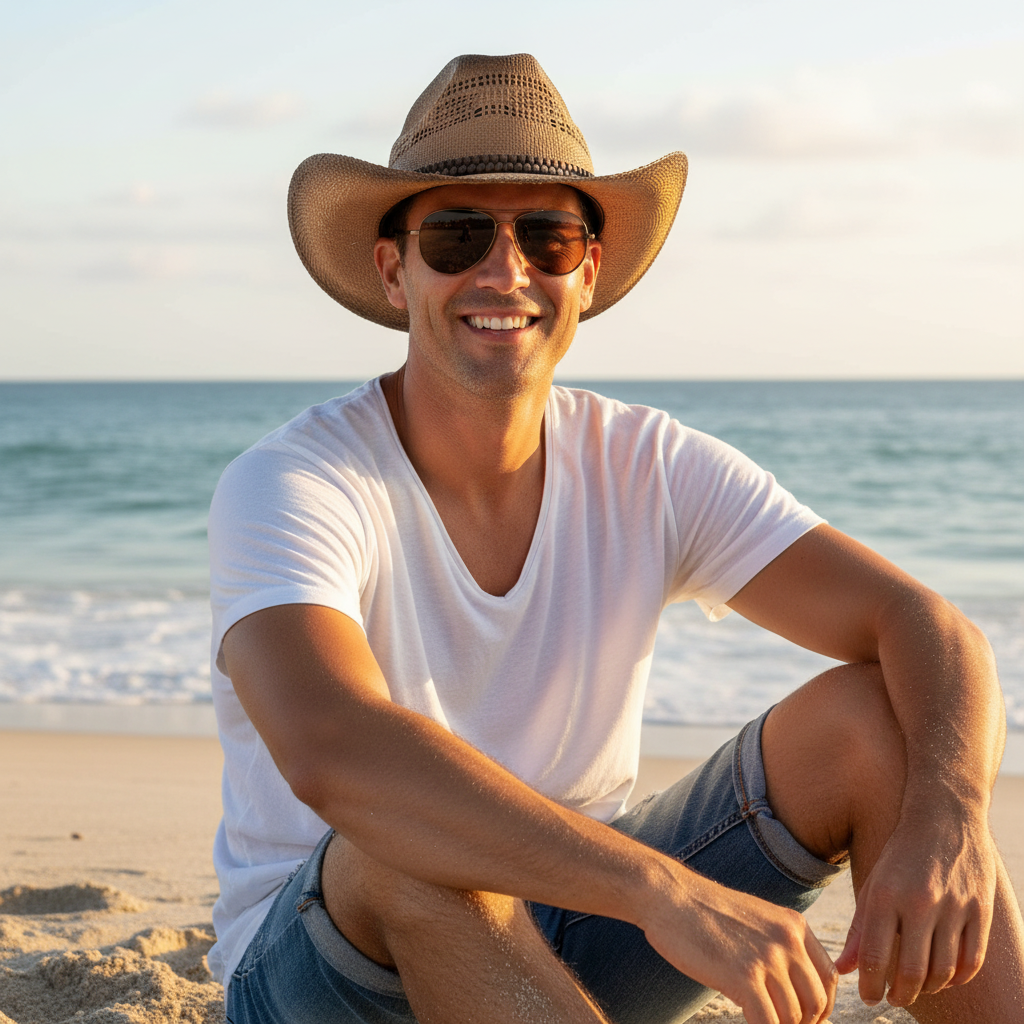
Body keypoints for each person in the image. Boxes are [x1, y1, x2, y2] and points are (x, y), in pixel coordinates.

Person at [206, 53, 1023, 1024]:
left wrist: (949, 817)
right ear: (396, 269)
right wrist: (661, 889)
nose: (503, 269)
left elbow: (920, 622)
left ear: (585, 272)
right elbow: (334, 747)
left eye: (547, 236)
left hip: (568, 940)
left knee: (867, 719)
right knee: (406, 842)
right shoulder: (296, 479)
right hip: (328, 967)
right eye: (459, 233)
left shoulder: (647, 462)